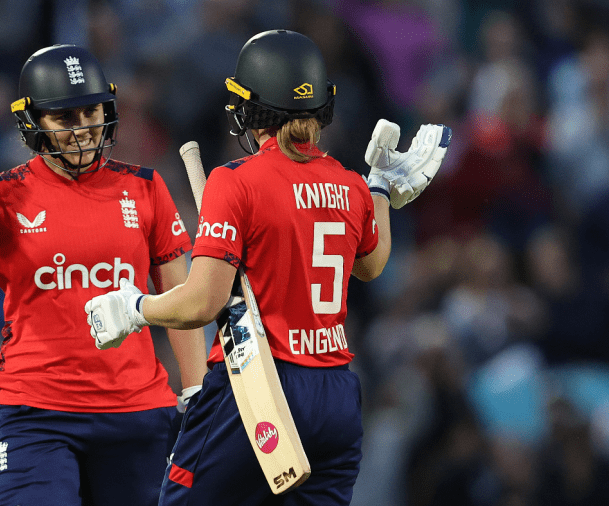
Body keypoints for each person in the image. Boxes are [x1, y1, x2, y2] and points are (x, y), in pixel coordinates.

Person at [84, 30, 451, 505]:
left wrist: (134, 308)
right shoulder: (349, 185)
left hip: (256, 385)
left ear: (250, 109)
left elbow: (203, 302)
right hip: (336, 395)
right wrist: (379, 188)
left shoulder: (235, 181)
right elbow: (373, 265)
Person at [0, 44, 208, 506]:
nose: (82, 129)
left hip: (138, 411)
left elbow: (183, 299)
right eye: (65, 118)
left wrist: (198, 390)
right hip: (34, 413)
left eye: (91, 112)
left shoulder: (146, 188)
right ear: (34, 122)